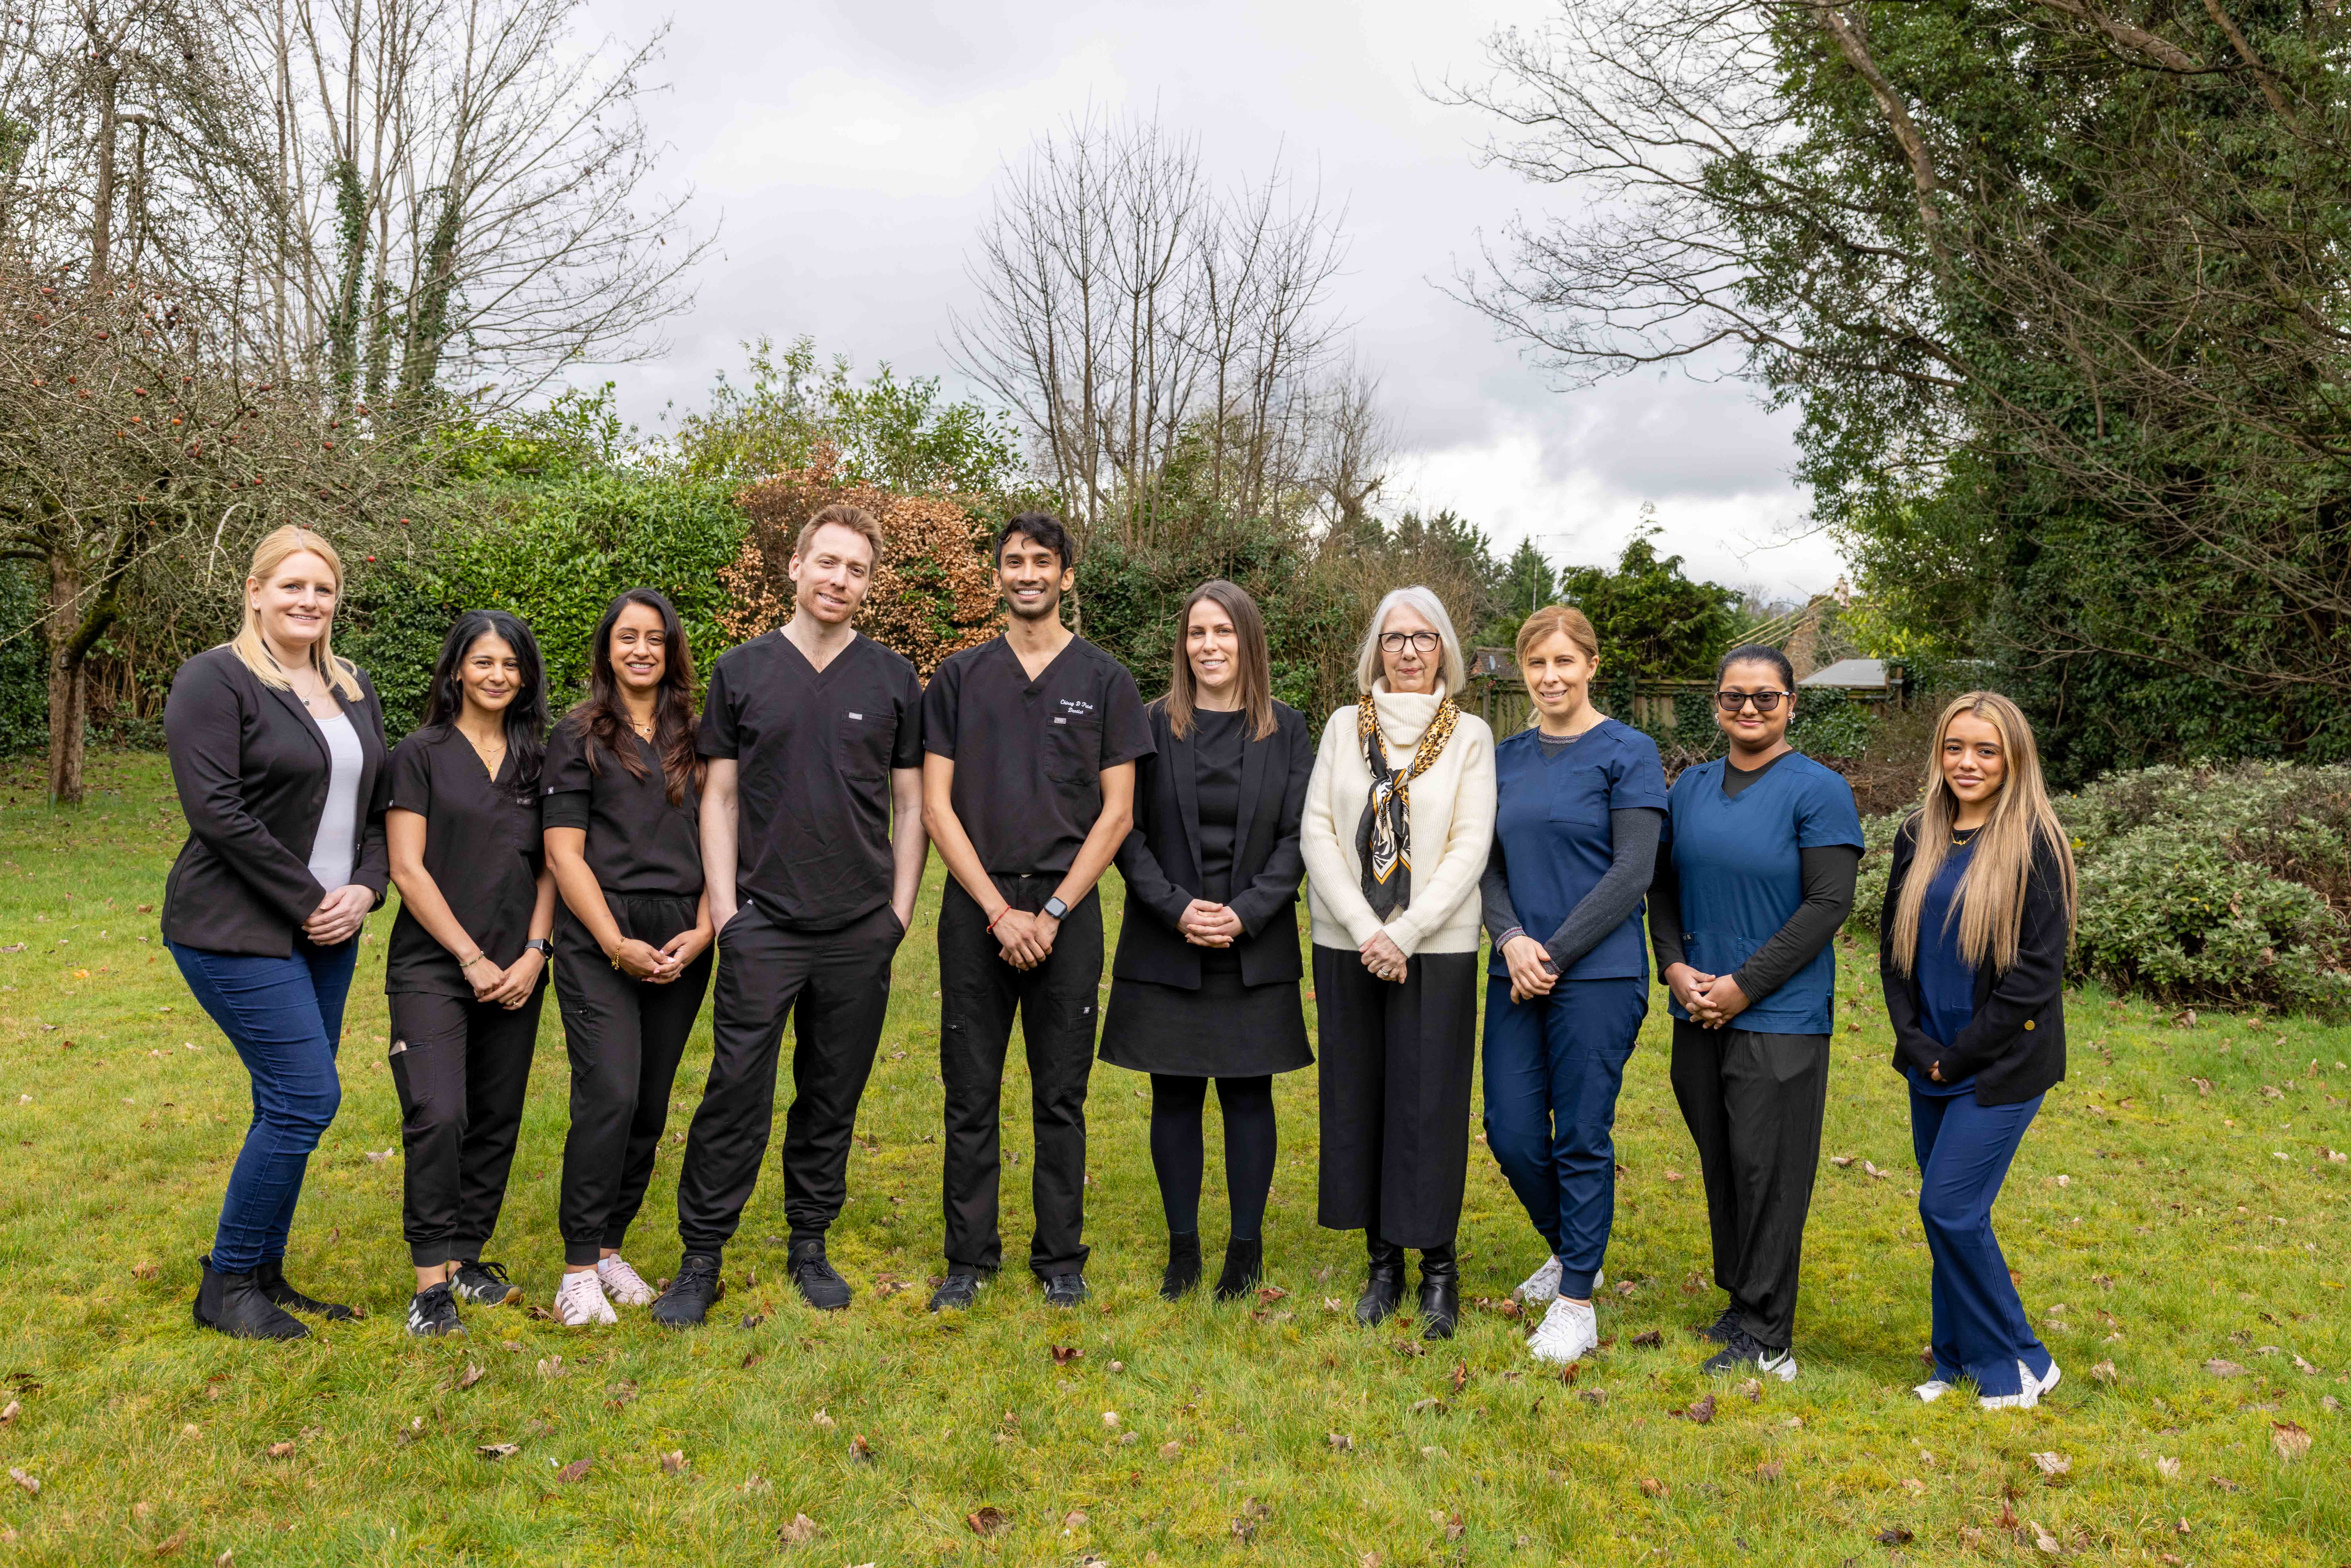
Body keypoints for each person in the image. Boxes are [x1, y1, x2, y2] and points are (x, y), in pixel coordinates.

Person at [651, 506, 927, 1326]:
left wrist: (898, 913)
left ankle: (810, 1241)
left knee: (831, 1092)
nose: (841, 580)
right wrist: (729, 911)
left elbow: (911, 805)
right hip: (764, 922)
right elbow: (721, 796)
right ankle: (701, 1257)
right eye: (829, 563)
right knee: (736, 1088)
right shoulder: (743, 672)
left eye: (858, 571)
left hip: (857, 926)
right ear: (796, 567)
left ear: (869, 587)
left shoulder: (894, 679)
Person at [920, 512, 1153, 1311]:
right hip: (977, 909)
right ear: (998, 575)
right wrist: (996, 909)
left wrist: (1051, 910)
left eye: (1042, 561)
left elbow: (1117, 813)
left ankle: (1061, 1259)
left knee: (1061, 1094)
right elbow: (935, 807)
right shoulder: (957, 679)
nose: (1027, 573)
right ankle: (969, 1259)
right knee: (970, 1090)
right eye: (1013, 561)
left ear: (1067, 577)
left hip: (1069, 911)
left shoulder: (1106, 682)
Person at [164, 526, 391, 1339]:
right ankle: (225, 1286)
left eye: (323, 590)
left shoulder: (352, 684)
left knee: (283, 1100)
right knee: (305, 1098)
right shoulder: (215, 680)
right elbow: (215, 813)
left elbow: (378, 807)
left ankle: (262, 1273)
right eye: (291, 586)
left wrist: (366, 887)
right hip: (234, 927)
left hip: (331, 929)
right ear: (255, 592)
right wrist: (310, 898)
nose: (308, 602)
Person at [1649, 643, 1863, 1382]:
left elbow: (1828, 903)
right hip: (1696, 1007)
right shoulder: (1691, 789)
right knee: (1726, 1161)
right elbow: (1663, 888)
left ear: (1790, 704)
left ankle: (1769, 1334)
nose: (1749, 709)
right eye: (1734, 697)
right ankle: (1742, 1300)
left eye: (1765, 697)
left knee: (1769, 1169)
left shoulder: (1819, 790)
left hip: (1781, 1014)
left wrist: (1744, 985)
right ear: (1716, 705)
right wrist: (1675, 968)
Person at [1100, 581, 1314, 1302]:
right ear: (1182, 645)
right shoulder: (1152, 724)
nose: (1209, 646)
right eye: (1196, 633)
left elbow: (1299, 836)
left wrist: (1246, 912)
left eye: (1222, 631)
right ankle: (1183, 1248)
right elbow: (1124, 827)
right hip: (1168, 941)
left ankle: (1245, 1249)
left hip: (1254, 946)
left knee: (1250, 1096)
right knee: (1176, 1095)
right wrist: (1176, 908)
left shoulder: (1287, 729)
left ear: (1247, 640)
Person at [1300, 586, 1496, 1340]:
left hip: (1436, 946)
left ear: (1443, 647)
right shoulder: (1345, 727)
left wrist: (1406, 931)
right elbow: (1318, 830)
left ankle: (1438, 1269)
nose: (1409, 652)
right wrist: (1362, 926)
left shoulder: (1471, 736)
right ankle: (1381, 1264)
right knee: (1360, 1097)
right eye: (1393, 639)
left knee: (1430, 1104)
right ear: (1375, 651)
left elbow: (1470, 845)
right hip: (1347, 942)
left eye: (1423, 638)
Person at [1478, 606, 1665, 1364]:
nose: (1551, 677)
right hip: (1514, 970)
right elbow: (1484, 863)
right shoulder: (1504, 757)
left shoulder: (1630, 751)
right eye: (1537, 664)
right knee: (1513, 1131)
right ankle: (1570, 1247)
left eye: (1565, 662)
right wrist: (1512, 939)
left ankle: (1577, 1301)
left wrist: (1549, 954)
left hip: (1599, 974)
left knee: (1581, 1135)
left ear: (1591, 665)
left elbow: (1633, 872)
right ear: (1523, 672)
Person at [1880, 692, 2075, 1410]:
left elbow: (2034, 974)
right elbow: (1893, 951)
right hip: (1928, 1057)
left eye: (1986, 750)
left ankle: (2015, 1362)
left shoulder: (2035, 843)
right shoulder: (1916, 834)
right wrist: (1916, 1042)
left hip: (1998, 1064)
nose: (1967, 762)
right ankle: (1953, 1359)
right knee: (1949, 1212)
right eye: (1955, 746)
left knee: (1950, 1207)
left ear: (2012, 759)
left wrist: (1957, 1055)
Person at [542, 589, 715, 1327]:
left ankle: (611, 1249)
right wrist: (613, 941)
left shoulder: (700, 735)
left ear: (672, 649)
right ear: (607, 649)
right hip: (600, 938)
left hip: (682, 937)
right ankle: (577, 1268)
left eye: (654, 638)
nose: (641, 650)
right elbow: (561, 850)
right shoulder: (577, 734)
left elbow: (723, 836)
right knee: (608, 1093)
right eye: (626, 638)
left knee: (647, 1102)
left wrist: (706, 928)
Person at [384, 610, 556, 1338]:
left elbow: (555, 864)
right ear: (457, 668)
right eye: (483, 662)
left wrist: (534, 953)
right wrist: (471, 957)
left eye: (511, 665)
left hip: (519, 966)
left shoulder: (539, 760)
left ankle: (467, 1257)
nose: (497, 676)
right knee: (439, 1114)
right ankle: (430, 1286)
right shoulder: (419, 753)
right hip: (436, 964)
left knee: (495, 1119)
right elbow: (406, 868)